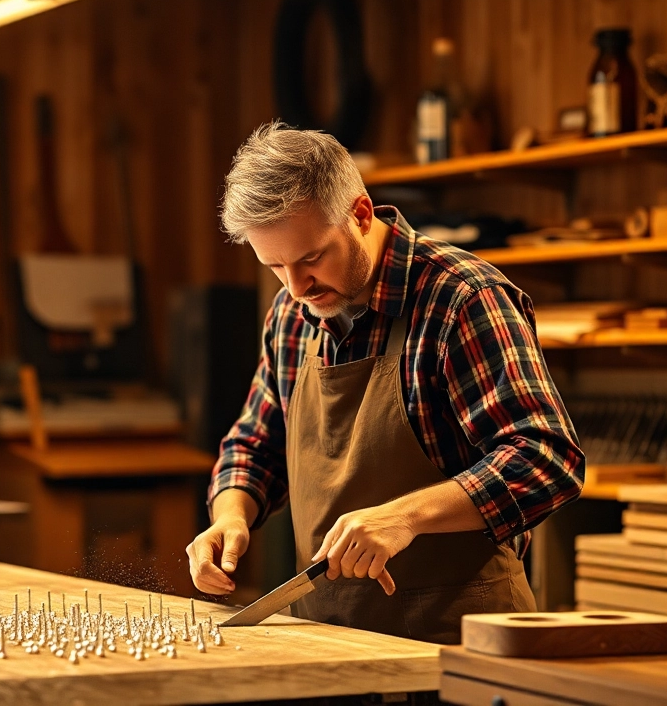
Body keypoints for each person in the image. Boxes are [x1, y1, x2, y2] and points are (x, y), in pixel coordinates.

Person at [186, 122, 584, 644]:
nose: (298, 286)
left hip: (458, 640)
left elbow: (547, 460)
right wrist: (230, 516)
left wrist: (407, 517)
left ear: (360, 214)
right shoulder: (290, 314)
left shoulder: (462, 299)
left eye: (311, 258)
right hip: (325, 638)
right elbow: (255, 446)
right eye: (275, 266)